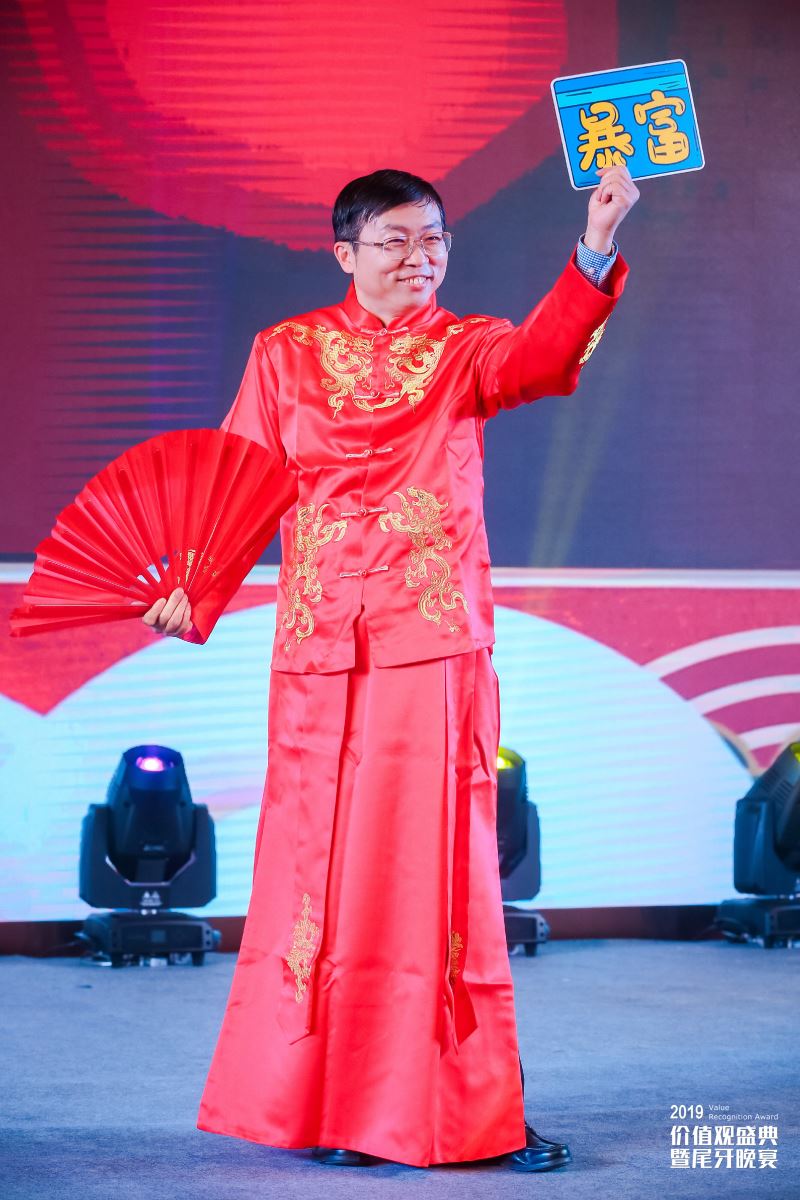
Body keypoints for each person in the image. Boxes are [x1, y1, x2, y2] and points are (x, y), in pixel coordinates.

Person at [143, 165, 639, 1171]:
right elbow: (241, 475)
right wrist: (193, 586)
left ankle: (472, 1111)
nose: (419, 258)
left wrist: (596, 241)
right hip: (319, 646)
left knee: (437, 876)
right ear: (346, 254)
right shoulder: (284, 352)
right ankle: (331, 1109)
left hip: (430, 641)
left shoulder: (467, 348)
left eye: (433, 239)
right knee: (317, 875)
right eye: (395, 241)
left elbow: (546, 358)